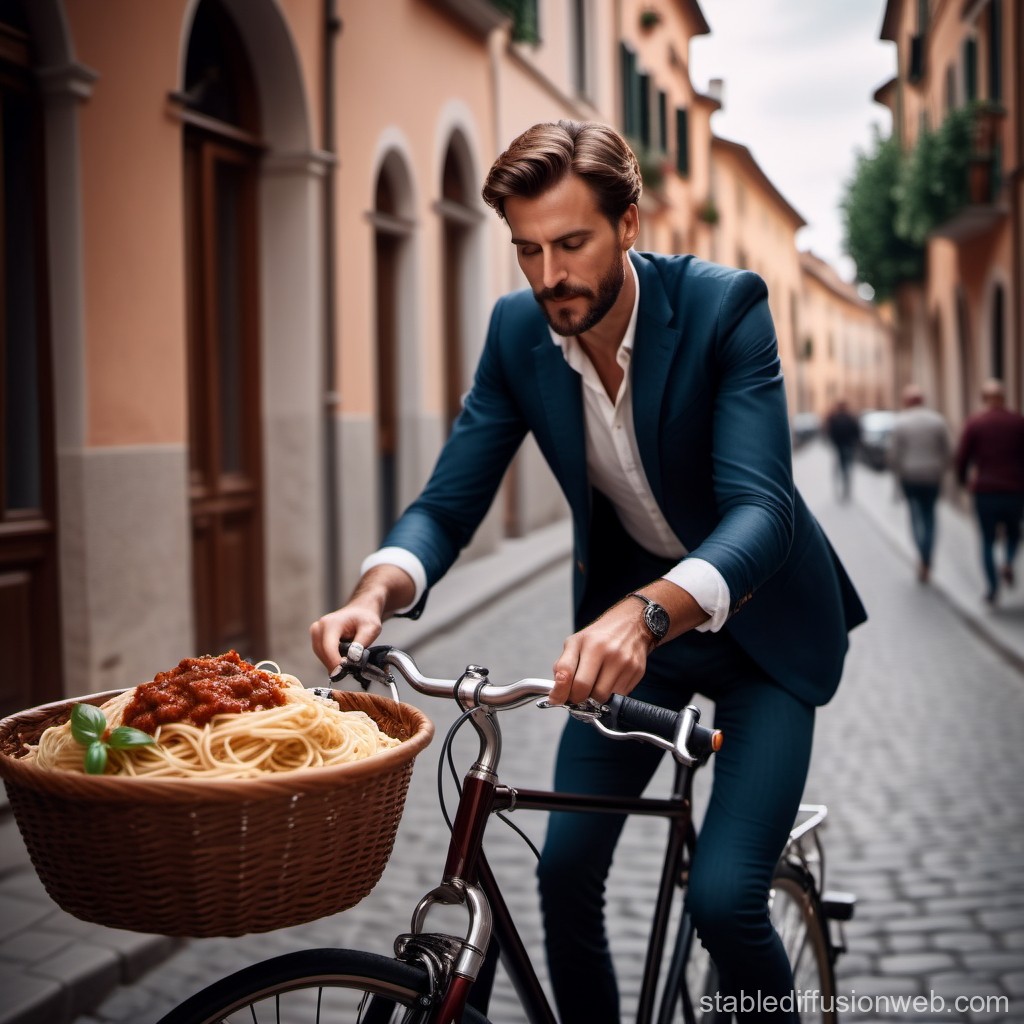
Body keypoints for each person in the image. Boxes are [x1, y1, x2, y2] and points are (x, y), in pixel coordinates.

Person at [310, 120, 866, 1024]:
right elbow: (450, 501)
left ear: (630, 225)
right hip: (636, 642)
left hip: (759, 634)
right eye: (528, 250)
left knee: (725, 900)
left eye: (572, 243)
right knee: (563, 873)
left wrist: (643, 612)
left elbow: (763, 512)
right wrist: (376, 592)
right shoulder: (516, 331)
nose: (549, 275)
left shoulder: (727, 306)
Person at [954, 378, 1024, 605]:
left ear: (984, 399)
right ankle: (1008, 562)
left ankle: (992, 589)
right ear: (1004, 398)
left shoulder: (975, 423)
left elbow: (962, 458)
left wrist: (963, 481)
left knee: (986, 539)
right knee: (1014, 533)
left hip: (985, 490)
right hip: (1014, 489)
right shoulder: (1018, 422)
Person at [888, 384, 951, 583]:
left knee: (915, 517)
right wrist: (941, 468)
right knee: (930, 517)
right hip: (932, 476)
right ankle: (927, 556)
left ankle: (922, 557)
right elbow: (949, 451)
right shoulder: (937, 420)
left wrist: (897, 474)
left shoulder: (901, 422)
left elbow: (893, 455)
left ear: (906, 402)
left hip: (910, 477)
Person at [824, 398, 861, 501]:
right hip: (848, 446)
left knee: (840, 468)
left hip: (839, 447)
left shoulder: (835, 418)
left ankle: (843, 489)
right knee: (847, 468)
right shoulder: (850, 417)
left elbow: (830, 432)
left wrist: (834, 443)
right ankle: (846, 489)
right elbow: (857, 432)